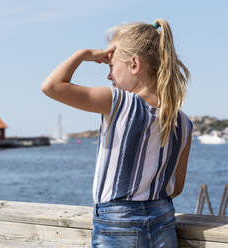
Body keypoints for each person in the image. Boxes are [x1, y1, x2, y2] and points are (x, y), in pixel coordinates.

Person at [41, 18, 193, 248]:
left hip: (118, 222)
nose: (109, 76)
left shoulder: (119, 102)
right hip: (163, 219)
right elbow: (177, 186)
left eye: (111, 66)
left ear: (134, 64)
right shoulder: (183, 122)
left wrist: (83, 55)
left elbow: (51, 86)